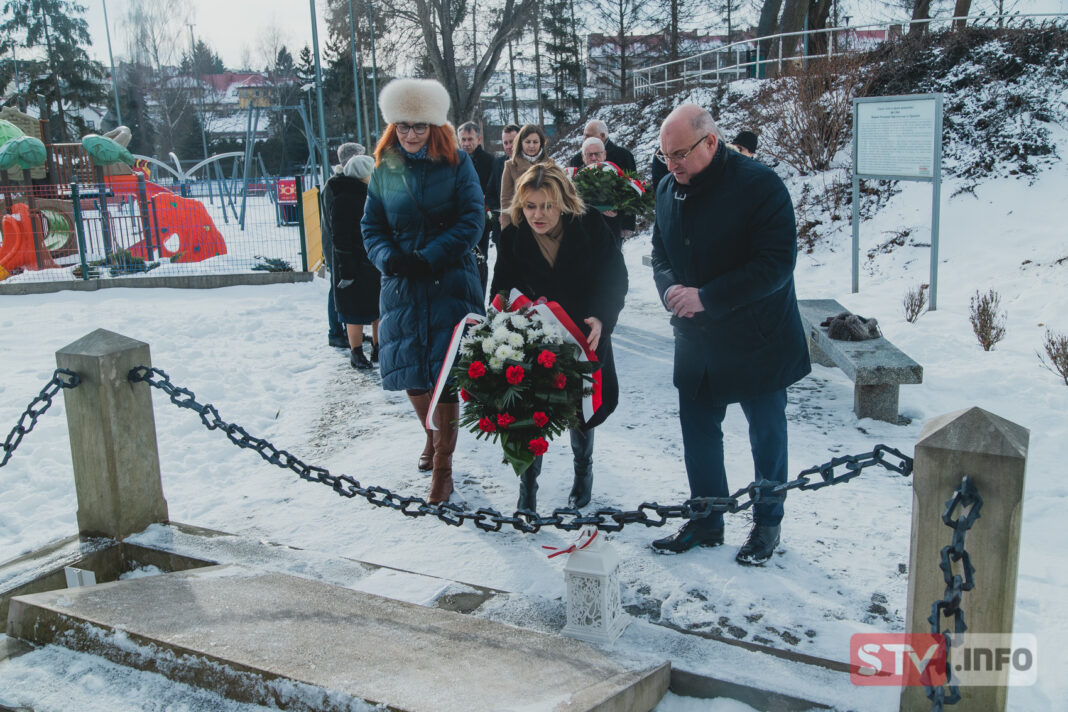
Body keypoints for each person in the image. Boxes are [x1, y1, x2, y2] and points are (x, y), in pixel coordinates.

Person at [649, 104, 811, 565]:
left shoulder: (760, 185)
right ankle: (707, 517)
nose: (672, 164)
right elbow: (659, 251)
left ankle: (767, 521)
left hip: (756, 336)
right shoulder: (666, 188)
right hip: (697, 339)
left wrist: (707, 296)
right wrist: (671, 291)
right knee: (698, 431)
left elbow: (776, 264)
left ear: (711, 142)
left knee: (765, 434)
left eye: (679, 153)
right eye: (665, 156)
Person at [361, 78, 485, 504]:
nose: (410, 134)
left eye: (418, 126)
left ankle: (444, 470)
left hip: (448, 282)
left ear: (434, 126)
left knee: (446, 376)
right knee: (413, 374)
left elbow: (472, 221)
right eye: (402, 126)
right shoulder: (384, 168)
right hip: (402, 288)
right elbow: (370, 227)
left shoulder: (456, 163)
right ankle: (432, 437)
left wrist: (429, 255)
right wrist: (388, 259)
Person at [491, 164, 628, 512]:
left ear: (564, 202)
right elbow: (501, 288)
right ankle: (528, 488)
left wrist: (602, 315)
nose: (538, 214)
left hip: (584, 334)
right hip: (534, 340)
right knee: (530, 411)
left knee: (582, 409)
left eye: (547, 206)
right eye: (530, 206)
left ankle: (583, 472)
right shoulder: (512, 237)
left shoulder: (591, 227)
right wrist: (504, 319)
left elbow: (614, 277)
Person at [325, 154, 380, 369]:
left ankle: (377, 349)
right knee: (355, 313)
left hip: (368, 262)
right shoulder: (346, 197)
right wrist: (346, 268)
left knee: (376, 310)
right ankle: (357, 353)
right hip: (353, 264)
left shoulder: (349, 193)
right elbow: (340, 236)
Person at [322, 142, 365, 349]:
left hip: (341, 244)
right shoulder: (335, 184)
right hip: (335, 246)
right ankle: (335, 331)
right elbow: (335, 222)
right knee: (337, 289)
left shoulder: (345, 181)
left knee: (346, 290)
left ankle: (350, 330)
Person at [567, 120, 637, 238]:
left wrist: (627, 224)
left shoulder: (623, 156)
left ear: (603, 135)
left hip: (614, 222)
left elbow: (632, 191)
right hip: (584, 223)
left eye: (588, 135)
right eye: (584, 135)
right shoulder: (577, 159)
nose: (585, 138)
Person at [458, 121, 496, 295]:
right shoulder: (454, 160)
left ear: (478, 139)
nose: (466, 143)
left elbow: (492, 188)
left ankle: (479, 294)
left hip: (481, 217)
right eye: (463, 140)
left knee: (480, 259)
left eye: (470, 139)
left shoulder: (489, 161)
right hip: (457, 219)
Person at [499, 124, 553, 230]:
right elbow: (505, 200)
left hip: (545, 221)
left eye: (535, 142)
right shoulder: (511, 166)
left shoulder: (550, 164)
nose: (531, 146)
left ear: (541, 143)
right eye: (528, 142)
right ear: (521, 143)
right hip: (520, 223)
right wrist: (505, 230)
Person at [575, 137, 623, 246]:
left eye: (597, 154)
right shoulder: (574, 179)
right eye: (589, 155)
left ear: (604, 154)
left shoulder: (617, 176)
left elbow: (627, 203)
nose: (593, 158)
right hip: (584, 234)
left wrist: (616, 214)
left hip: (611, 232)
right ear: (583, 157)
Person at [487, 124, 519, 246]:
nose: (509, 146)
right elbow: (490, 194)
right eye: (505, 143)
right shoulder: (498, 163)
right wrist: (500, 213)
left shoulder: (532, 164)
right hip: (503, 229)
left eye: (512, 142)